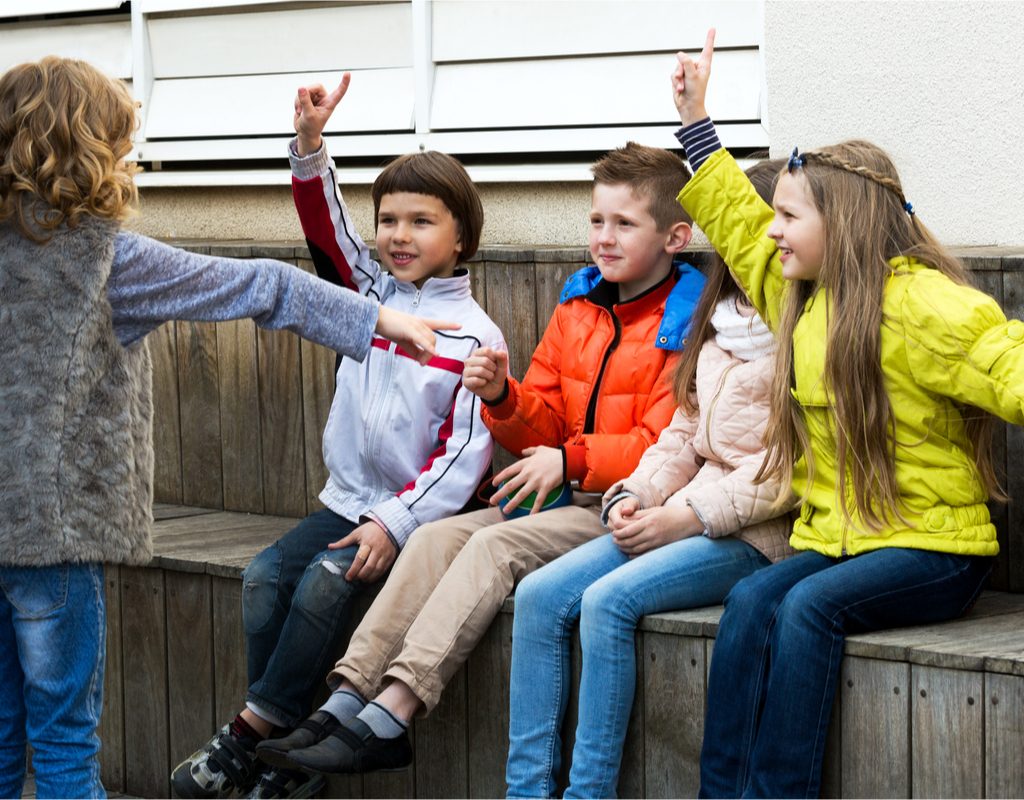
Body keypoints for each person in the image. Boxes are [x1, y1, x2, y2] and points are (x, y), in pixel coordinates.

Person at [0, 57, 454, 800]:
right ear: (93, 152)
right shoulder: (104, 260)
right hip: (51, 540)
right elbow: (260, 285)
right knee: (62, 740)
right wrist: (380, 319)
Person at [252, 141, 707, 777]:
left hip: (627, 506)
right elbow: (538, 422)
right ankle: (346, 699)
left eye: (624, 224)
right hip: (562, 493)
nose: (604, 238)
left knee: (492, 548)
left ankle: (394, 712)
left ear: (675, 237)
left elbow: (667, 445)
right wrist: (501, 394)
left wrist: (569, 462)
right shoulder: (578, 307)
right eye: (597, 221)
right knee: (435, 538)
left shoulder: (688, 322)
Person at [673, 30, 1020, 798]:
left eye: (789, 216)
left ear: (848, 223)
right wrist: (698, 123)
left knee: (806, 610)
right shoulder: (802, 298)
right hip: (841, 540)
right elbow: (734, 216)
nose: (770, 230)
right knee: (752, 600)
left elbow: (1010, 368)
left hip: (934, 548)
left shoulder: (929, 308)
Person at [170, 74, 504, 799]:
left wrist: (395, 520)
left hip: (419, 521)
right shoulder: (368, 295)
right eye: (389, 221)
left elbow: (462, 456)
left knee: (323, 583)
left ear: (461, 237)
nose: (399, 235)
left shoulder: (475, 336)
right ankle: (286, 760)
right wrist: (311, 146)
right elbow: (328, 230)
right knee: (264, 579)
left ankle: (254, 740)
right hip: (347, 499)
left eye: (422, 221)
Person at [504, 159, 796, 799]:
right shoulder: (722, 323)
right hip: (680, 511)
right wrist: (637, 494)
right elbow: (683, 433)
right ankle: (525, 792)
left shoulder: (810, 336)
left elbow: (787, 475)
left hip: (756, 536)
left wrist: (682, 519)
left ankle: (589, 793)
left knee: (609, 602)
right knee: (539, 596)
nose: (764, 242)